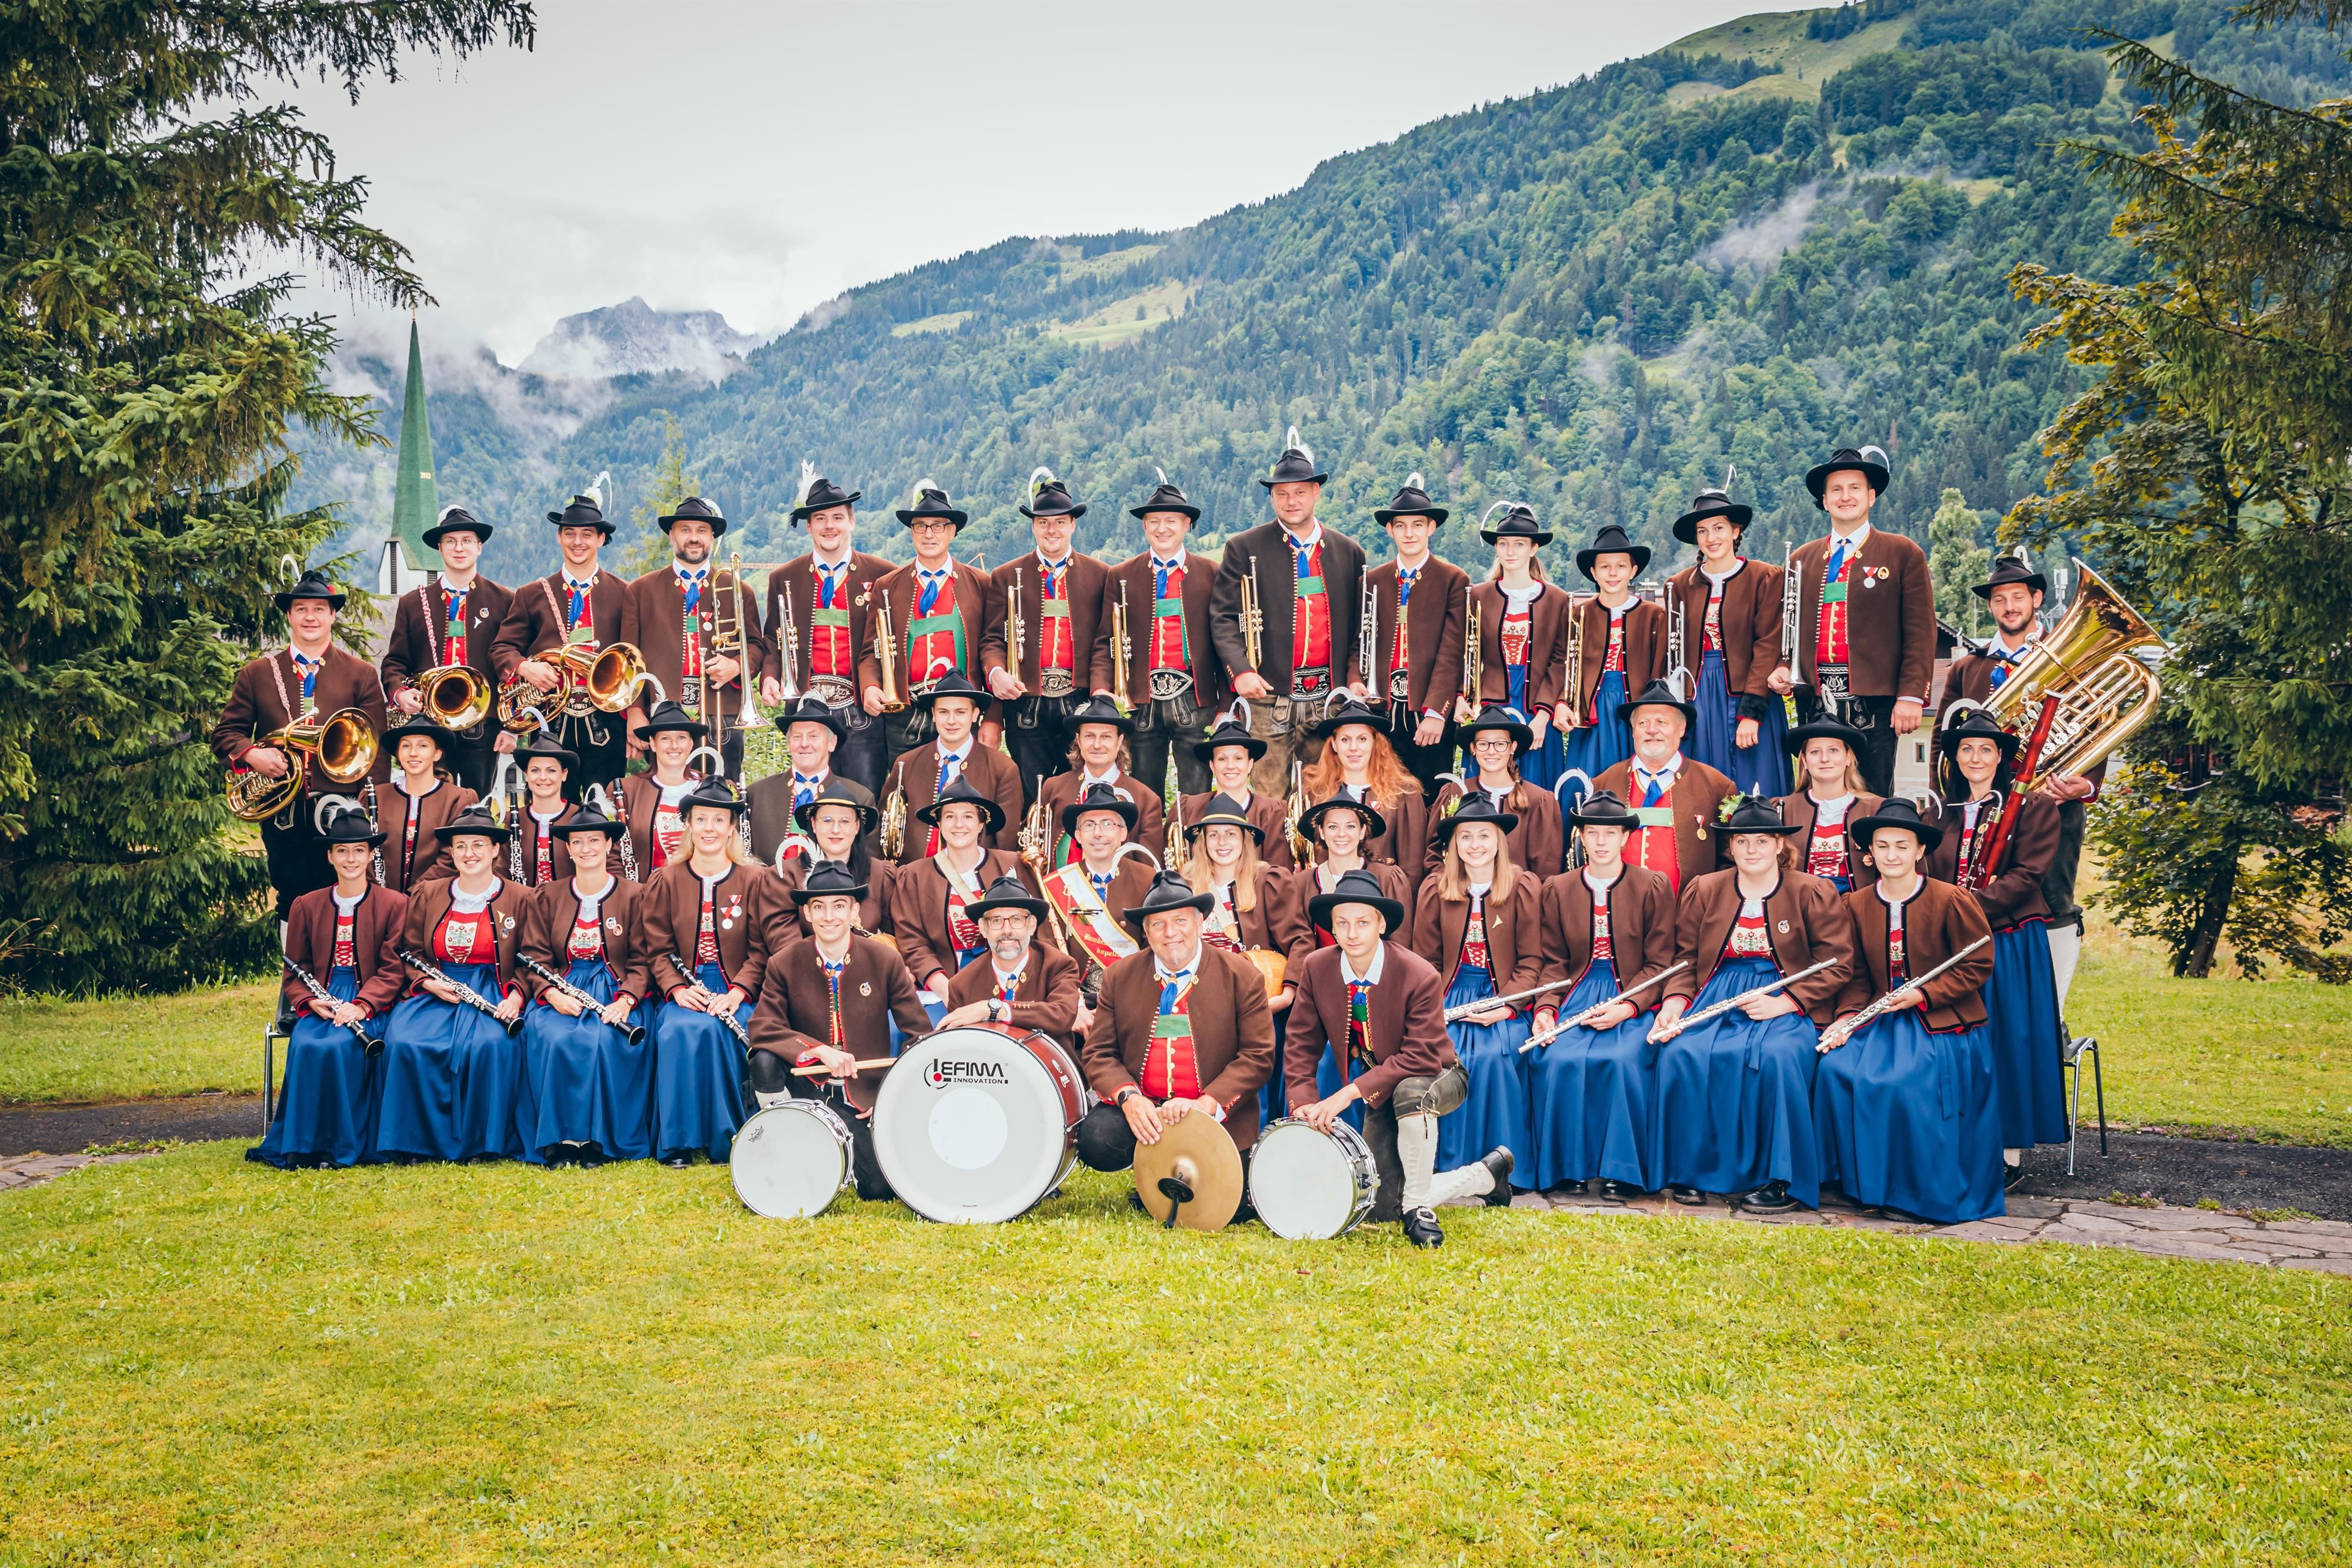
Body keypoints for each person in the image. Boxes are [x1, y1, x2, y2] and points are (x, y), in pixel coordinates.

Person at [1648, 796, 1857, 1212]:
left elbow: (1838, 964)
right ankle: (1690, 1170)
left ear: (1779, 845)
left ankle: (1779, 1179)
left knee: (1778, 1056)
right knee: (1682, 1052)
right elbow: (1686, 958)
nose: (1751, 849)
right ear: (1730, 846)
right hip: (1717, 991)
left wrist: (1787, 1002)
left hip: (1785, 996)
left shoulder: (1812, 891)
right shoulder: (1706, 889)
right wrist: (1674, 1001)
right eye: (1742, 841)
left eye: (1762, 840)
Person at [1285, 868, 1514, 1246]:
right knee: (1380, 1206)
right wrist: (1304, 1101)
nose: (1352, 933)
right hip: (1383, 1085)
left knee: (1412, 1093)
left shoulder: (1419, 973)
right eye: (1343, 923)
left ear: (1381, 925)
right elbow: (1300, 1042)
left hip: (1439, 1074)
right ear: (1332, 928)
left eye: (1363, 922)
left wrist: (1346, 1095)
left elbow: (1420, 1056)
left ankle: (1418, 1210)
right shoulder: (1317, 967)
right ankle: (1485, 1176)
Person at [1814, 798, 2002, 1224]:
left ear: (1920, 850)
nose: (1892, 855)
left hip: (1939, 1021)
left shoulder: (1952, 899)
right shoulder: (1855, 904)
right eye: (1883, 846)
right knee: (1836, 1070)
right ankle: (1863, 1185)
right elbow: (1856, 974)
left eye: (1902, 846)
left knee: (1903, 1082)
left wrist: (1923, 994)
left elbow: (1977, 965)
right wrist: (1847, 1017)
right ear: (1870, 851)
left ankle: (1915, 1192)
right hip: (1879, 1017)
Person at [1935, 551, 2103, 1008]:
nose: (2009, 606)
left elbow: (2096, 725)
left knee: (2054, 902)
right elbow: (1941, 740)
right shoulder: (1968, 667)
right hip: (1981, 808)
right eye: (2000, 599)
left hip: (2052, 806)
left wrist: (2085, 784)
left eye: (2018, 597)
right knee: (1981, 898)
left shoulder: (2068, 658)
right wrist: (1946, 804)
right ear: (1991, 606)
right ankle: (1988, 1006)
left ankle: (2051, 1013)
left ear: (2037, 599)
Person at [1927, 707, 2069, 1176]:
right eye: (1966, 749)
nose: (1975, 757)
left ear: (2001, 758)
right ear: (1955, 757)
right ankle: (1958, 1141)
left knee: (2006, 1041)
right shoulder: (1940, 813)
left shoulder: (2033, 807)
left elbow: (2028, 876)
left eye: (1986, 749)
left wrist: (1964, 908)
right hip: (1950, 943)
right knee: (1957, 1042)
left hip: (2007, 942)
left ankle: (2007, 1156)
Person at [1074, 869, 1276, 1195]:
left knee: (1229, 1202)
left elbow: (1258, 1056)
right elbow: (1099, 1053)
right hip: (1146, 1107)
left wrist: (1207, 1104)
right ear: (1146, 932)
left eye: (1181, 921)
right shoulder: (1120, 977)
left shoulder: (1242, 976)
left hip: (1212, 1113)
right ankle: (1149, 1158)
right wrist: (1129, 1098)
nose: (1171, 933)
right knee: (1098, 1140)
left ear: (1200, 923)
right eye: (1158, 924)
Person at [746, 861, 934, 1201]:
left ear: (854, 911)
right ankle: (780, 1134)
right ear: (807, 913)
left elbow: (919, 1034)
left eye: (839, 906)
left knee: (878, 1190)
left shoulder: (885, 959)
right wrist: (817, 1050)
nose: (829, 916)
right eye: (819, 907)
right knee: (764, 1061)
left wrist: (891, 1095)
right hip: (806, 1088)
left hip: (863, 1095)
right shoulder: (784, 962)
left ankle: (835, 1149)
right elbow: (762, 1026)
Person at [212, 567, 390, 920]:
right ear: (289, 616)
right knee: (291, 900)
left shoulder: (361, 674)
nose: (311, 617)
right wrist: (253, 755)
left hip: (343, 805)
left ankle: (343, 958)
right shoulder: (258, 673)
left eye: (319, 609)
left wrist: (370, 804)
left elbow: (379, 751)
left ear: (333, 615)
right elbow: (225, 734)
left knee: (346, 896)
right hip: (284, 809)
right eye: (302, 609)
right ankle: (294, 959)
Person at [1526, 790, 1678, 1197]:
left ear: (1625, 837)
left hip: (1632, 990)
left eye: (1610, 833)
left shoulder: (1652, 885)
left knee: (1623, 1059)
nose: (1601, 841)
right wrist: (1545, 1010)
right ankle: (1569, 1168)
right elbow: (1554, 962)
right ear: (1581, 836)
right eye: (1592, 832)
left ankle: (1621, 1171)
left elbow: (1660, 963)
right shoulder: (1558, 888)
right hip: (1577, 990)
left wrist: (1628, 1007)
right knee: (1558, 1058)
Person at [1209, 428, 1367, 796]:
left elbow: (1361, 629)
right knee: (1267, 801)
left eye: (1299, 492)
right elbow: (1222, 617)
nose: (1291, 501)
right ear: (1272, 498)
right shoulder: (1243, 547)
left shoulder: (1349, 552)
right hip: (1268, 698)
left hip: (1328, 699)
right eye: (1282, 494)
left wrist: (1354, 676)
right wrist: (1241, 671)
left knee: (1326, 798)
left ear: (1316, 492)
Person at [1769, 447, 1935, 797]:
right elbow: (1787, 626)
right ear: (1825, 501)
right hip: (1814, 696)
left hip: (1876, 699)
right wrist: (1783, 665)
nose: (1846, 497)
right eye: (1837, 490)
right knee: (1814, 792)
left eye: (1855, 488)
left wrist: (1911, 695)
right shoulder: (1801, 559)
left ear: (1871, 496)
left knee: (1872, 795)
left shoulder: (1903, 553)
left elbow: (1920, 632)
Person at [248, 805, 407, 1169]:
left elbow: (393, 969)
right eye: (342, 851)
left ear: (370, 855)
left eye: (359, 850)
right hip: (323, 998)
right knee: (307, 1044)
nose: (351, 859)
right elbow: (295, 971)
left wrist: (362, 1006)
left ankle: (342, 1144)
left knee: (340, 1046)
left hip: (372, 1000)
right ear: (330, 856)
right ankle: (305, 1145)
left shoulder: (395, 904)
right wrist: (309, 1002)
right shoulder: (306, 905)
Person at [373, 802, 531, 1162]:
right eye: (461, 846)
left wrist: (516, 997)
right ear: (452, 852)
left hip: (493, 989)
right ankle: (415, 1142)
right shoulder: (429, 893)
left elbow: (532, 957)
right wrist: (427, 982)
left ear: (495, 849)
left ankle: (481, 1143)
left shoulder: (521, 898)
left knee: (491, 1045)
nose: (469, 853)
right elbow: (409, 951)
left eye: (478, 845)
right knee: (406, 1041)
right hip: (438, 987)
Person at [640, 779, 775, 1166]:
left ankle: (727, 1137)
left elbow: (761, 950)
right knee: (678, 1030)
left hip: (736, 986)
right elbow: (657, 949)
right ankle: (679, 1141)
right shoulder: (666, 879)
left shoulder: (755, 879)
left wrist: (737, 993)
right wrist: (677, 990)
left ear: (732, 827)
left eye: (719, 820)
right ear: (688, 825)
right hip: (687, 987)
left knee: (725, 1030)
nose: (709, 828)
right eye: (701, 819)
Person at [515, 799, 652, 1165]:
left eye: (594, 840)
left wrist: (626, 1000)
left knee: (605, 1041)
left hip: (616, 988)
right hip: (564, 986)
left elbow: (642, 960)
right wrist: (551, 994)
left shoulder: (635, 895)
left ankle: (598, 1140)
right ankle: (559, 1140)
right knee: (552, 1037)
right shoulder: (548, 895)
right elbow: (534, 956)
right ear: (568, 849)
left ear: (609, 845)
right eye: (577, 842)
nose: (586, 848)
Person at [1412, 796, 1540, 1186]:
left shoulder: (1523, 886)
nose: (1475, 844)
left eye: (1485, 835)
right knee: (1445, 1055)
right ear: (1454, 844)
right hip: (1449, 993)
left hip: (1505, 996)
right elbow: (1426, 962)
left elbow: (1531, 961)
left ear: (1499, 840)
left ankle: (1500, 1164)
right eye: (1465, 836)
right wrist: (1430, 1007)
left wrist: (1506, 1008)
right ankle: (1446, 1164)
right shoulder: (1436, 888)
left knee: (1493, 1055)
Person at [490, 493, 638, 795]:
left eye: (587, 534)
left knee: (606, 809)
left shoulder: (625, 593)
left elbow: (635, 661)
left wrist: (636, 715)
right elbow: (501, 649)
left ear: (601, 539)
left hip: (607, 725)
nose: (577, 542)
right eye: (570, 533)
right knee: (551, 808)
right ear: (559, 537)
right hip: (549, 722)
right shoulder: (532, 594)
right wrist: (526, 668)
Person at [757, 467, 892, 794]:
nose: (829, 526)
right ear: (809, 526)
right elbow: (774, 640)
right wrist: (770, 677)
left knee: (864, 798)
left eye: (837, 518)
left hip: (861, 709)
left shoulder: (883, 575)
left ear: (852, 522)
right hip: (806, 708)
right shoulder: (784, 578)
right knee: (808, 797)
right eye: (820, 519)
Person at [982, 469, 1114, 801]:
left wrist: (1101, 692)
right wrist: (996, 673)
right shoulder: (1005, 575)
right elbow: (993, 639)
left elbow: (1105, 642)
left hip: (1080, 699)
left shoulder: (1101, 575)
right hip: (1026, 703)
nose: (1051, 529)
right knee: (1032, 793)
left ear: (1073, 525)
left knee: (1082, 791)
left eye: (1059, 522)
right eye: (1043, 522)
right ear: (1033, 526)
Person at [623, 496, 763, 781]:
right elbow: (627, 660)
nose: (694, 538)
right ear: (672, 536)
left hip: (723, 713)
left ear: (712, 537)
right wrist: (635, 711)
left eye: (702, 530)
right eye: (685, 530)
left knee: (723, 792)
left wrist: (737, 665)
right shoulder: (641, 591)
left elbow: (757, 647)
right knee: (667, 792)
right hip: (662, 714)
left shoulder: (738, 589)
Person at [1104, 473, 1227, 797]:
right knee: (1143, 793)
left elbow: (1225, 642)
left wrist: (1225, 704)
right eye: (1154, 521)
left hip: (1196, 697)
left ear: (1187, 524)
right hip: (1141, 700)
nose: (1162, 529)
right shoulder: (1120, 575)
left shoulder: (1212, 573)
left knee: (1197, 793)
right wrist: (1104, 690)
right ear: (1144, 526)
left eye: (1171, 521)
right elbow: (1106, 641)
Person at [379, 505, 513, 795]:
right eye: (451, 541)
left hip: (484, 724)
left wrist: (511, 727)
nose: (459, 548)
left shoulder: (505, 600)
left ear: (479, 547)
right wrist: (400, 693)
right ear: (439, 548)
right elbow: (395, 662)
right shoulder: (414, 603)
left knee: (479, 807)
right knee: (432, 805)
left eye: (467, 541)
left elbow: (513, 666)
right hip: (430, 724)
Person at [1663, 487, 1788, 797]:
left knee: (1756, 779)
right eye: (1702, 531)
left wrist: (1752, 713)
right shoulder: (1678, 586)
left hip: (1751, 688)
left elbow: (1768, 644)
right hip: (1699, 695)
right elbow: (1672, 652)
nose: (1711, 537)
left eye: (1719, 528)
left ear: (1735, 531)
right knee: (1705, 781)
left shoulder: (1764, 577)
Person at [870, 480, 994, 768]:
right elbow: (869, 651)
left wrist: (994, 719)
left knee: (962, 790)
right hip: (905, 715)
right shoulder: (887, 586)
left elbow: (993, 650)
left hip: (961, 715)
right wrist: (870, 687)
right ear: (911, 532)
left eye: (938, 526)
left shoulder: (981, 584)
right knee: (905, 788)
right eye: (920, 526)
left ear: (952, 531)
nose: (928, 534)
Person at [1362, 474, 1469, 797]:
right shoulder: (1373, 580)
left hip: (1428, 711)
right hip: (1382, 710)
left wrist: (1437, 711)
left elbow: (1453, 651)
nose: (1409, 533)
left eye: (1418, 525)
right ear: (1390, 530)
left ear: (1431, 528)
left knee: (1432, 798)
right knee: (1382, 797)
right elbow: (1360, 641)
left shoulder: (1453, 579)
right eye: (1401, 526)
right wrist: (1357, 684)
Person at [886, 777, 1028, 1015]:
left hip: (1008, 985)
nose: (959, 824)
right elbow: (913, 943)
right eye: (950, 816)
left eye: (968, 816)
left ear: (981, 824)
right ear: (939, 824)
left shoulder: (1010, 864)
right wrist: (947, 991)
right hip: (941, 988)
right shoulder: (914, 875)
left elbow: (1033, 929)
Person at [1462, 503, 1572, 797]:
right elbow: (1465, 654)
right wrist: (1465, 697)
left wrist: (1543, 716)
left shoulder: (1557, 599)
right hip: (1491, 703)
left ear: (1534, 548)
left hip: (1537, 702)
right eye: (1503, 544)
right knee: (1487, 783)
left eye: (1519, 544)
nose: (1510, 551)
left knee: (1535, 787)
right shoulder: (1478, 596)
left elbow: (1560, 661)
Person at [1585, 678, 1736, 894]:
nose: (1652, 730)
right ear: (1633, 731)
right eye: (1643, 723)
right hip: (1620, 910)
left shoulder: (1717, 786)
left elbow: (1729, 861)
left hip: (1688, 912)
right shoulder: (1604, 783)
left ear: (1681, 728)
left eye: (1662, 722)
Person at [1031, 783, 1160, 1030]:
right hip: (1075, 1004)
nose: (1098, 833)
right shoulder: (1055, 885)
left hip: (1135, 999)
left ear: (1123, 833)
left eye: (1107, 824)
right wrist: (1072, 1004)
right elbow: (1049, 952)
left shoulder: (1148, 879)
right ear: (1078, 836)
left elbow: (1155, 947)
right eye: (1089, 825)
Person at [1561, 521, 1668, 798]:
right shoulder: (1579, 614)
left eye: (1621, 566)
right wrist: (1563, 701)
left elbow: (1659, 668)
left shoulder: (1653, 615)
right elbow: (1565, 665)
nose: (1612, 573)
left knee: (1635, 777)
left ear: (1633, 571)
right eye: (1605, 567)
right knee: (1587, 778)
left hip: (1636, 704)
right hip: (1591, 706)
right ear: (1593, 572)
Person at [1180, 793, 1304, 1022]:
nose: (1222, 842)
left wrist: (1287, 995)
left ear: (1244, 840)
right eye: (1214, 835)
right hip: (1199, 1003)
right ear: (1204, 841)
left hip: (1258, 1002)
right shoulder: (1185, 886)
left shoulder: (1268, 881)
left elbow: (1299, 940)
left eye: (1231, 834)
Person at [879, 669, 1023, 863]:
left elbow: (1006, 843)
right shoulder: (907, 763)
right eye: (943, 712)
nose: (952, 721)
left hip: (977, 876)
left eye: (961, 712)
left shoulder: (1003, 768)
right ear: (934, 714)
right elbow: (883, 828)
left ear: (975, 715)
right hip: (914, 873)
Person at [938, 874, 1085, 1057]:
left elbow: (1062, 1015)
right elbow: (958, 1048)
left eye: (1016, 919)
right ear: (983, 928)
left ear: (1032, 925)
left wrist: (992, 1009)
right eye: (996, 920)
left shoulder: (1058, 965)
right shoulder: (961, 984)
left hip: (1049, 1070)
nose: (1007, 930)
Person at [1299, 694, 1428, 901]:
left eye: (1362, 739)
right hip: (1322, 900)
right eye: (1345, 740)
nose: (1354, 748)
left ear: (1375, 743)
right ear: (1334, 745)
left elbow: (1412, 869)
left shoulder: (1404, 793)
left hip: (1382, 901)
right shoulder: (1312, 790)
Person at [1424, 705, 1563, 878]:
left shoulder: (1538, 800)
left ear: (1512, 747)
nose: (1491, 751)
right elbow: (1434, 855)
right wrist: (1451, 884)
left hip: (1518, 893)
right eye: (1483, 744)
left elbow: (1546, 870)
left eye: (1500, 744)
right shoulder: (1455, 792)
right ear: (1473, 748)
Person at [746, 696, 878, 871]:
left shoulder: (860, 797)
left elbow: (867, 866)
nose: (804, 744)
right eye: (797, 737)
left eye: (813, 736)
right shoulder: (757, 793)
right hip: (769, 887)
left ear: (832, 743)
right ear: (788, 744)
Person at [1031, 697, 1166, 863]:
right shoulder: (1053, 787)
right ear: (1079, 740)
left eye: (1106, 737)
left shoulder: (1146, 799)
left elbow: (1149, 868)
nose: (1097, 745)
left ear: (1119, 742)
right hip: (1059, 880)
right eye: (1089, 736)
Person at [1288, 795, 1414, 968]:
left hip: (1378, 978)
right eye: (1333, 827)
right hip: (1321, 979)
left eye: (1350, 826)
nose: (1342, 834)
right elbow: (1298, 945)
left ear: (1362, 832)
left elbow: (1401, 946)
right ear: (1322, 832)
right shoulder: (1301, 884)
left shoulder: (1388, 878)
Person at [767, 780, 894, 950]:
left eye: (845, 821)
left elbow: (897, 936)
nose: (836, 829)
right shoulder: (786, 876)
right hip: (806, 965)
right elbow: (786, 945)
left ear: (857, 826)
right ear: (813, 824)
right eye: (827, 821)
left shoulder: (881, 874)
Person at [369, 713, 477, 894]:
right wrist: (384, 899)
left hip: (434, 899)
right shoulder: (375, 796)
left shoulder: (459, 799)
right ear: (398, 754)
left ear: (437, 754)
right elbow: (362, 851)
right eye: (406, 746)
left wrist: (414, 895)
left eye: (423, 746)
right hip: (380, 901)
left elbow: (450, 859)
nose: (413, 753)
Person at [1178, 704, 1294, 871]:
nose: (1230, 766)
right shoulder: (1188, 808)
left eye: (1239, 759)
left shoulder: (1271, 812)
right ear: (1212, 765)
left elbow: (1278, 872)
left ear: (1250, 764)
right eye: (1222, 759)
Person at [1774, 714, 1881, 894]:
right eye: (1815, 752)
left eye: (1833, 750)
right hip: (1800, 907)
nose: (1825, 759)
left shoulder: (1876, 808)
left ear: (1848, 758)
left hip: (1858, 908)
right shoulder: (1782, 809)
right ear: (1805, 761)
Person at [617, 700, 711, 880]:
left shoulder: (713, 786)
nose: (674, 746)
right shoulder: (626, 791)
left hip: (703, 890)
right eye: (665, 738)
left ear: (691, 743)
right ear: (652, 744)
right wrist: (631, 893)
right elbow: (613, 855)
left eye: (681, 738)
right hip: (646, 892)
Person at [499, 728, 579, 890]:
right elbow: (499, 873)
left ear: (564, 774)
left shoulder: (580, 818)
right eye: (535, 770)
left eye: (551, 770)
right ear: (526, 775)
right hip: (521, 902)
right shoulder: (507, 820)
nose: (543, 777)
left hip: (570, 904)